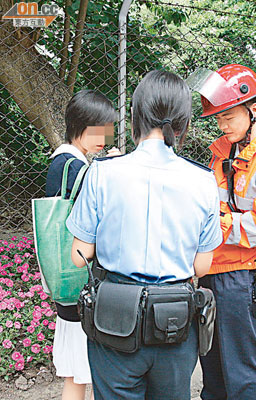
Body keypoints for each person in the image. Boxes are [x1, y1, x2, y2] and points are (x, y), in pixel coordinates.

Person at [66, 69, 223, 400]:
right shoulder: (204, 181)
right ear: (183, 124)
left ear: (135, 116)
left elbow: (79, 255)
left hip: (115, 322)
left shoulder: (101, 173)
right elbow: (202, 267)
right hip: (175, 324)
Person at [189, 64, 256, 400]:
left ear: (253, 110)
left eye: (230, 118)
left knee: (243, 371)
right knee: (212, 367)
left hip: (243, 276)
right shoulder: (222, 149)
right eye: (219, 119)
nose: (223, 126)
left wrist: (209, 225)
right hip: (210, 269)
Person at [45, 89, 117, 400]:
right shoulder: (75, 168)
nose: (104, 136)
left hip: (67, 282)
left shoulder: (63, 163)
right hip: (81, 282)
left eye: (107, 129)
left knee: (76, 374)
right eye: (97, 129)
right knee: (90, 369)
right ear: (79, 125)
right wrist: (111, 170)